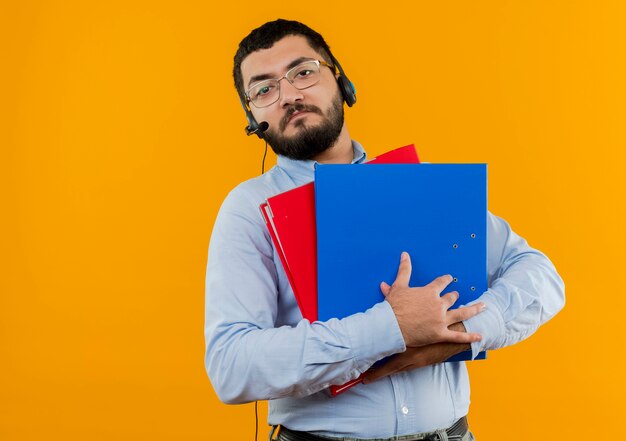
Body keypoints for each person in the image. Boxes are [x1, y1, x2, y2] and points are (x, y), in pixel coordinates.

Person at [204, 19, 564, 441]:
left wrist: (465, 332)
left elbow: (540, 274)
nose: (289, 96)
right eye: (264, 89)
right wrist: (388, 328)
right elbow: (231, 367)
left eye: (303, 72)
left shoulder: (421, 184)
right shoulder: (248, 210)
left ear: (340, 80)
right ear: (252, 117)